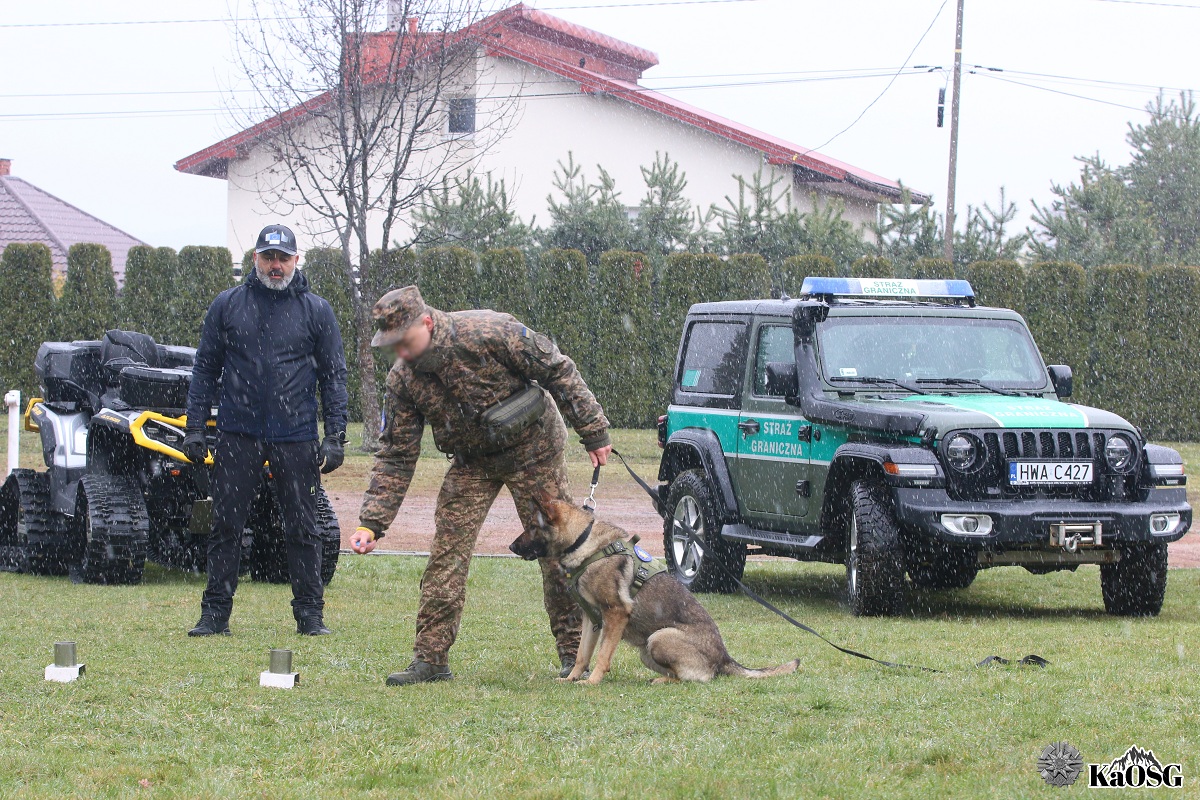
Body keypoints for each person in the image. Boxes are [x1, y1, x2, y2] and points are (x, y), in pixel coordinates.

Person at [353, 286, 611, 685]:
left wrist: (593, 430)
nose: (400, 352)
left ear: (426, 322)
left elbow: (558, 369)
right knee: (447, 554)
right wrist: (372, 522)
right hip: (471, 462)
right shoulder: (402, 380)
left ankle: (574, 656)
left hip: (533, 450)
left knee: (557, 552)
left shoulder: (489, 332)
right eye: (392, 345)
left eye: (404, 341)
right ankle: (430, 659)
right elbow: (396, 455)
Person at [182, 224, 349, 637]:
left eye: (283, 258)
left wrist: (335, 435)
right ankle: (214, 615)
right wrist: (195, 427)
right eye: (269, 257)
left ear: (296, 260)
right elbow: (204, 371)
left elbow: (334, 377)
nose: (276, 265)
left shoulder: (317, 311)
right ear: (255, 259)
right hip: (237, 432)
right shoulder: (227, 305)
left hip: (296, 435)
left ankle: (310, 616)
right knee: (225, 525)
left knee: (304, 527)